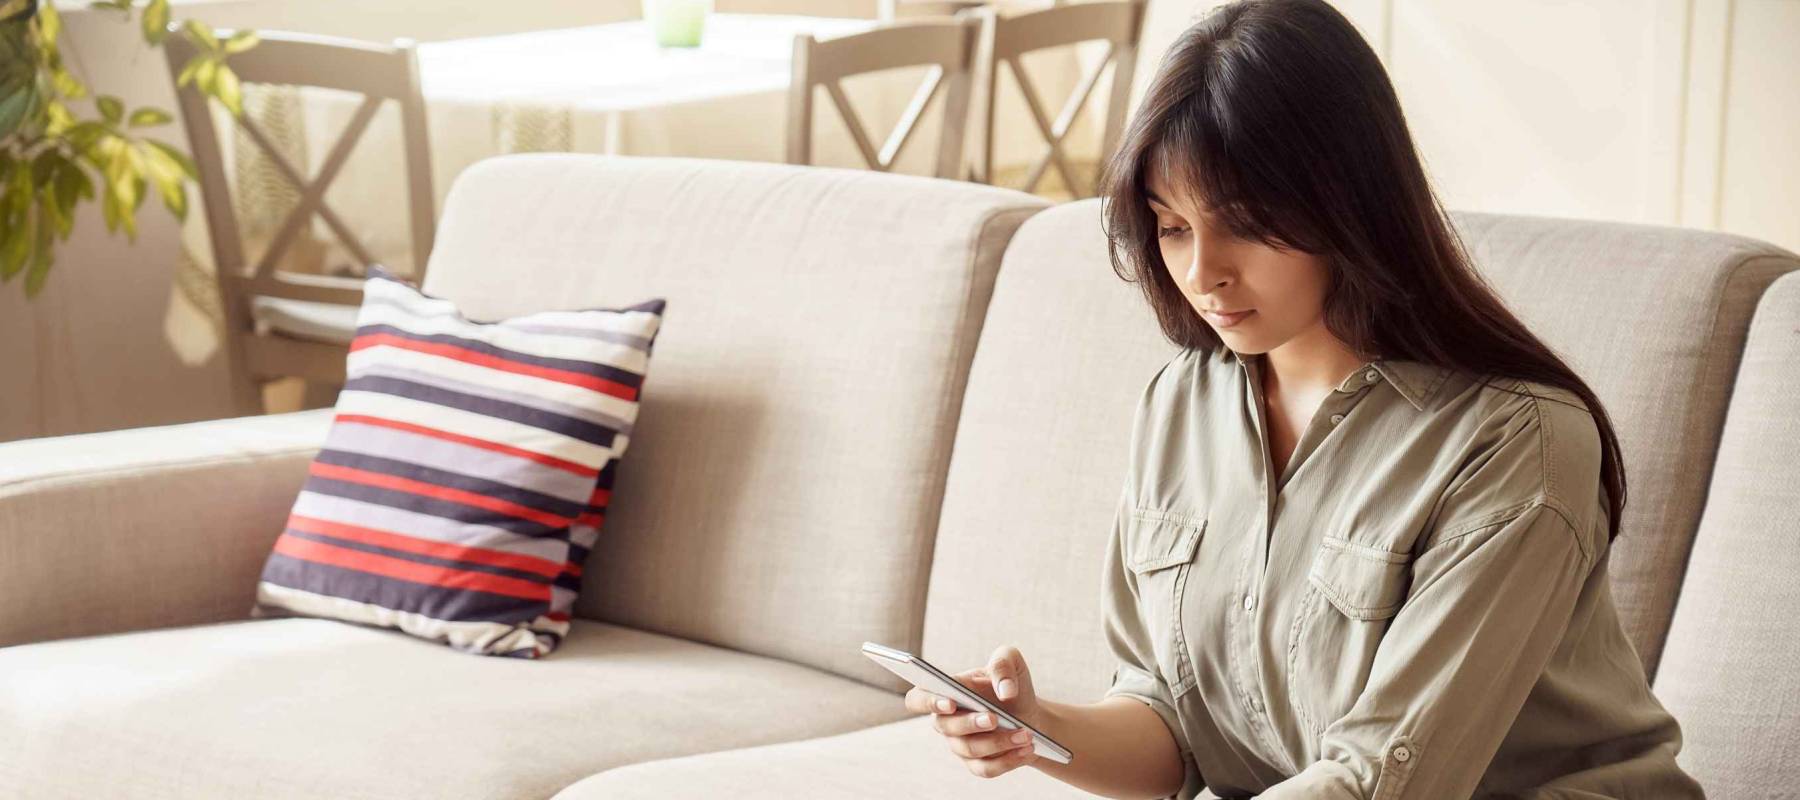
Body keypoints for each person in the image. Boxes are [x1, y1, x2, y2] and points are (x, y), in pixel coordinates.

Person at [899, 1, 1707, 797]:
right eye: (1172, 226)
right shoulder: (1186, 401)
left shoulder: (1515, 442)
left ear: (1347, 204)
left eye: (1243, 224)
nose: (1202, 273)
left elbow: (1380, 781)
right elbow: (1173, 725)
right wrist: (1037, 730)